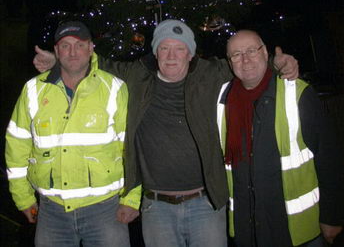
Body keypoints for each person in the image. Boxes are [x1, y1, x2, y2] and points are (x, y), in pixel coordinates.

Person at [33, 19, 298, 247]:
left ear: (191, 54)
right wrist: (57, 59)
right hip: (156, 207)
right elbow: (96, 63)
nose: (171, 56)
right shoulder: (137, 75)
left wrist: (279, 63)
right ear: (156, 53)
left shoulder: (211, 73)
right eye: (164, 48)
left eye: (179, 50)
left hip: (205, 203)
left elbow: (247, 63)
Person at [5, 21, 141, 247]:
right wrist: (24, 199)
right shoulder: (33, 90)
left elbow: (132, 147)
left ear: (91, 48)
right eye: (65, 46)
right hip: (51, 212)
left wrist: (132, 199)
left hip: (106, 210)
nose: (72, 51)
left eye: (79, 45)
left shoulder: (114, 88)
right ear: (57, 52)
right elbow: (16, 147)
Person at [223, 30, 344, 247]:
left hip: (300, 232)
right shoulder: (223, 100)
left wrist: (333, 216)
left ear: (265, 53)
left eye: (252, 50)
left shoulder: (297, 94)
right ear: (230, 63)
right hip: (249, 230)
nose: (245, 59)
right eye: (236, 54)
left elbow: (330, 158)